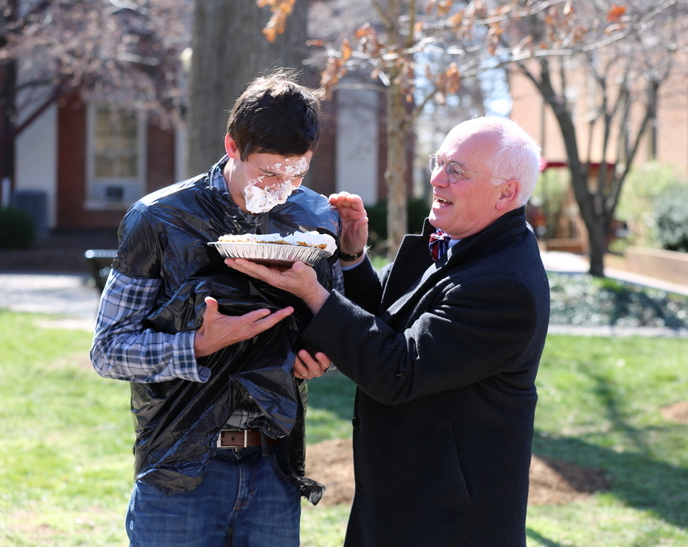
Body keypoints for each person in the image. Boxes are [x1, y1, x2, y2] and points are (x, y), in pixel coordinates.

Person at [227, 115, 551, 546]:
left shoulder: (504, 285)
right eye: (440, 161)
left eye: (458, 171)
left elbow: (398, 370)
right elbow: (389, 324)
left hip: (448, 524)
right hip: (401, 502)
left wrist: (313, 293)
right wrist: (352, 256)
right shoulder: (461, 242)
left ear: (507, 191)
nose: (437, 178)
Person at [90, 70, 337, 547]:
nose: (282, 188)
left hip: (275, 464)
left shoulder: (315, 216)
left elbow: (330, 315)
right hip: (180, 468)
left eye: (297, 171)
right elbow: (107, 349)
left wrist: (322, 355)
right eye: (267, 172)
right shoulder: (157, 218)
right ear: (231, 146)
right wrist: (198, 344)